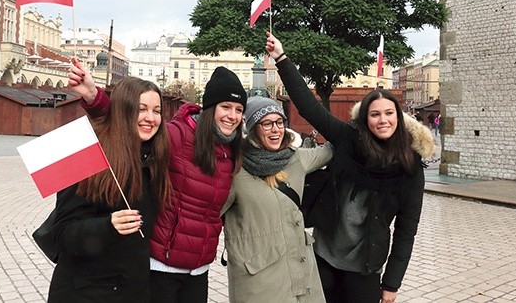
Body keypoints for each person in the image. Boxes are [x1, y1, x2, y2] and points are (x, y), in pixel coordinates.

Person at [266, 32, 434, 303]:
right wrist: (282, 59)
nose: (382, 120)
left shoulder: (409, 167)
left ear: (399, 118)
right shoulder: (348, 140)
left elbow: (407, 229)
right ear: (365, 119)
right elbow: (310, 108)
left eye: (389, 113)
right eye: (375, 114)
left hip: (366, 265)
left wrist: (392, 283)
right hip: (324, 256)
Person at [68, 60, 247, 303]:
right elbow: (131, 122)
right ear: (210, 107)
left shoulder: (231, 151)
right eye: (226, 106)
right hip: (162, 265)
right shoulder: (178, 135)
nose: (232, 116)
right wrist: (94, 98)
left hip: (199, 269)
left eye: (239, 109)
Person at [48, 76, 171, 302]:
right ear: (124, 112)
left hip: (132, 290)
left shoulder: (154, 159)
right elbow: (61, 235)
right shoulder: (88, 156)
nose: (150, 118)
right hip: (86, 292)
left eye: (157, 111)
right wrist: (108, 226)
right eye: (141, 109)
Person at [221, 96, 333, 302]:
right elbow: (206, 212)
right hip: (259, 280)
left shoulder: (296, 158)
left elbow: (333, 148)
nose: (276, 129)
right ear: (253, 128)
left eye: (279, 122)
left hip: (302, 274)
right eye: (267, 123)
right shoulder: (234, 170)